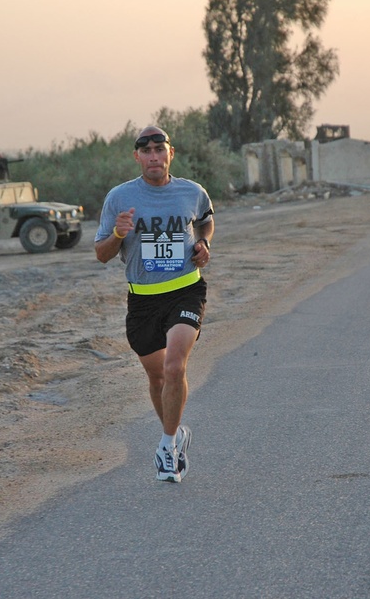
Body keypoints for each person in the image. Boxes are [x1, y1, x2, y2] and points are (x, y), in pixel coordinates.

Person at [95, 126, 214, 483]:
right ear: (137, 158)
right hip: (143, 301)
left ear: (169, 154)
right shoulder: (119, 198)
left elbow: (206, 222)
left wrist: (204, 245)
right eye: (145, 151)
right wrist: (118, 233)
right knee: (157, 375)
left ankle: (166, 448)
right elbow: (101, 255)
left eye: (159, 149)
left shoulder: (192, 192)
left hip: (186, 291)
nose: (153, 156)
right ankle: (177, 434)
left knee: (175, 367)